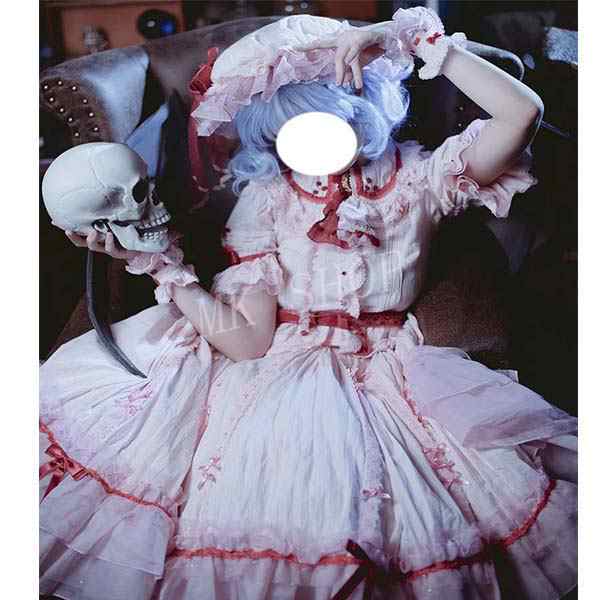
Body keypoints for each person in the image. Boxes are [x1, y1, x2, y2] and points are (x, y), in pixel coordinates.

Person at [40, 8, 577, 599]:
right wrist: (163, 266)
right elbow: (249, 342)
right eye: (285, 131)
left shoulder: (422, 180)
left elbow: (521, 113)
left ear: (359, 106)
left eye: (326, 118)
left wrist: (411, 40)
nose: (308, 145)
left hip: (390, 369)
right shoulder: (269, 198)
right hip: (284, 371)